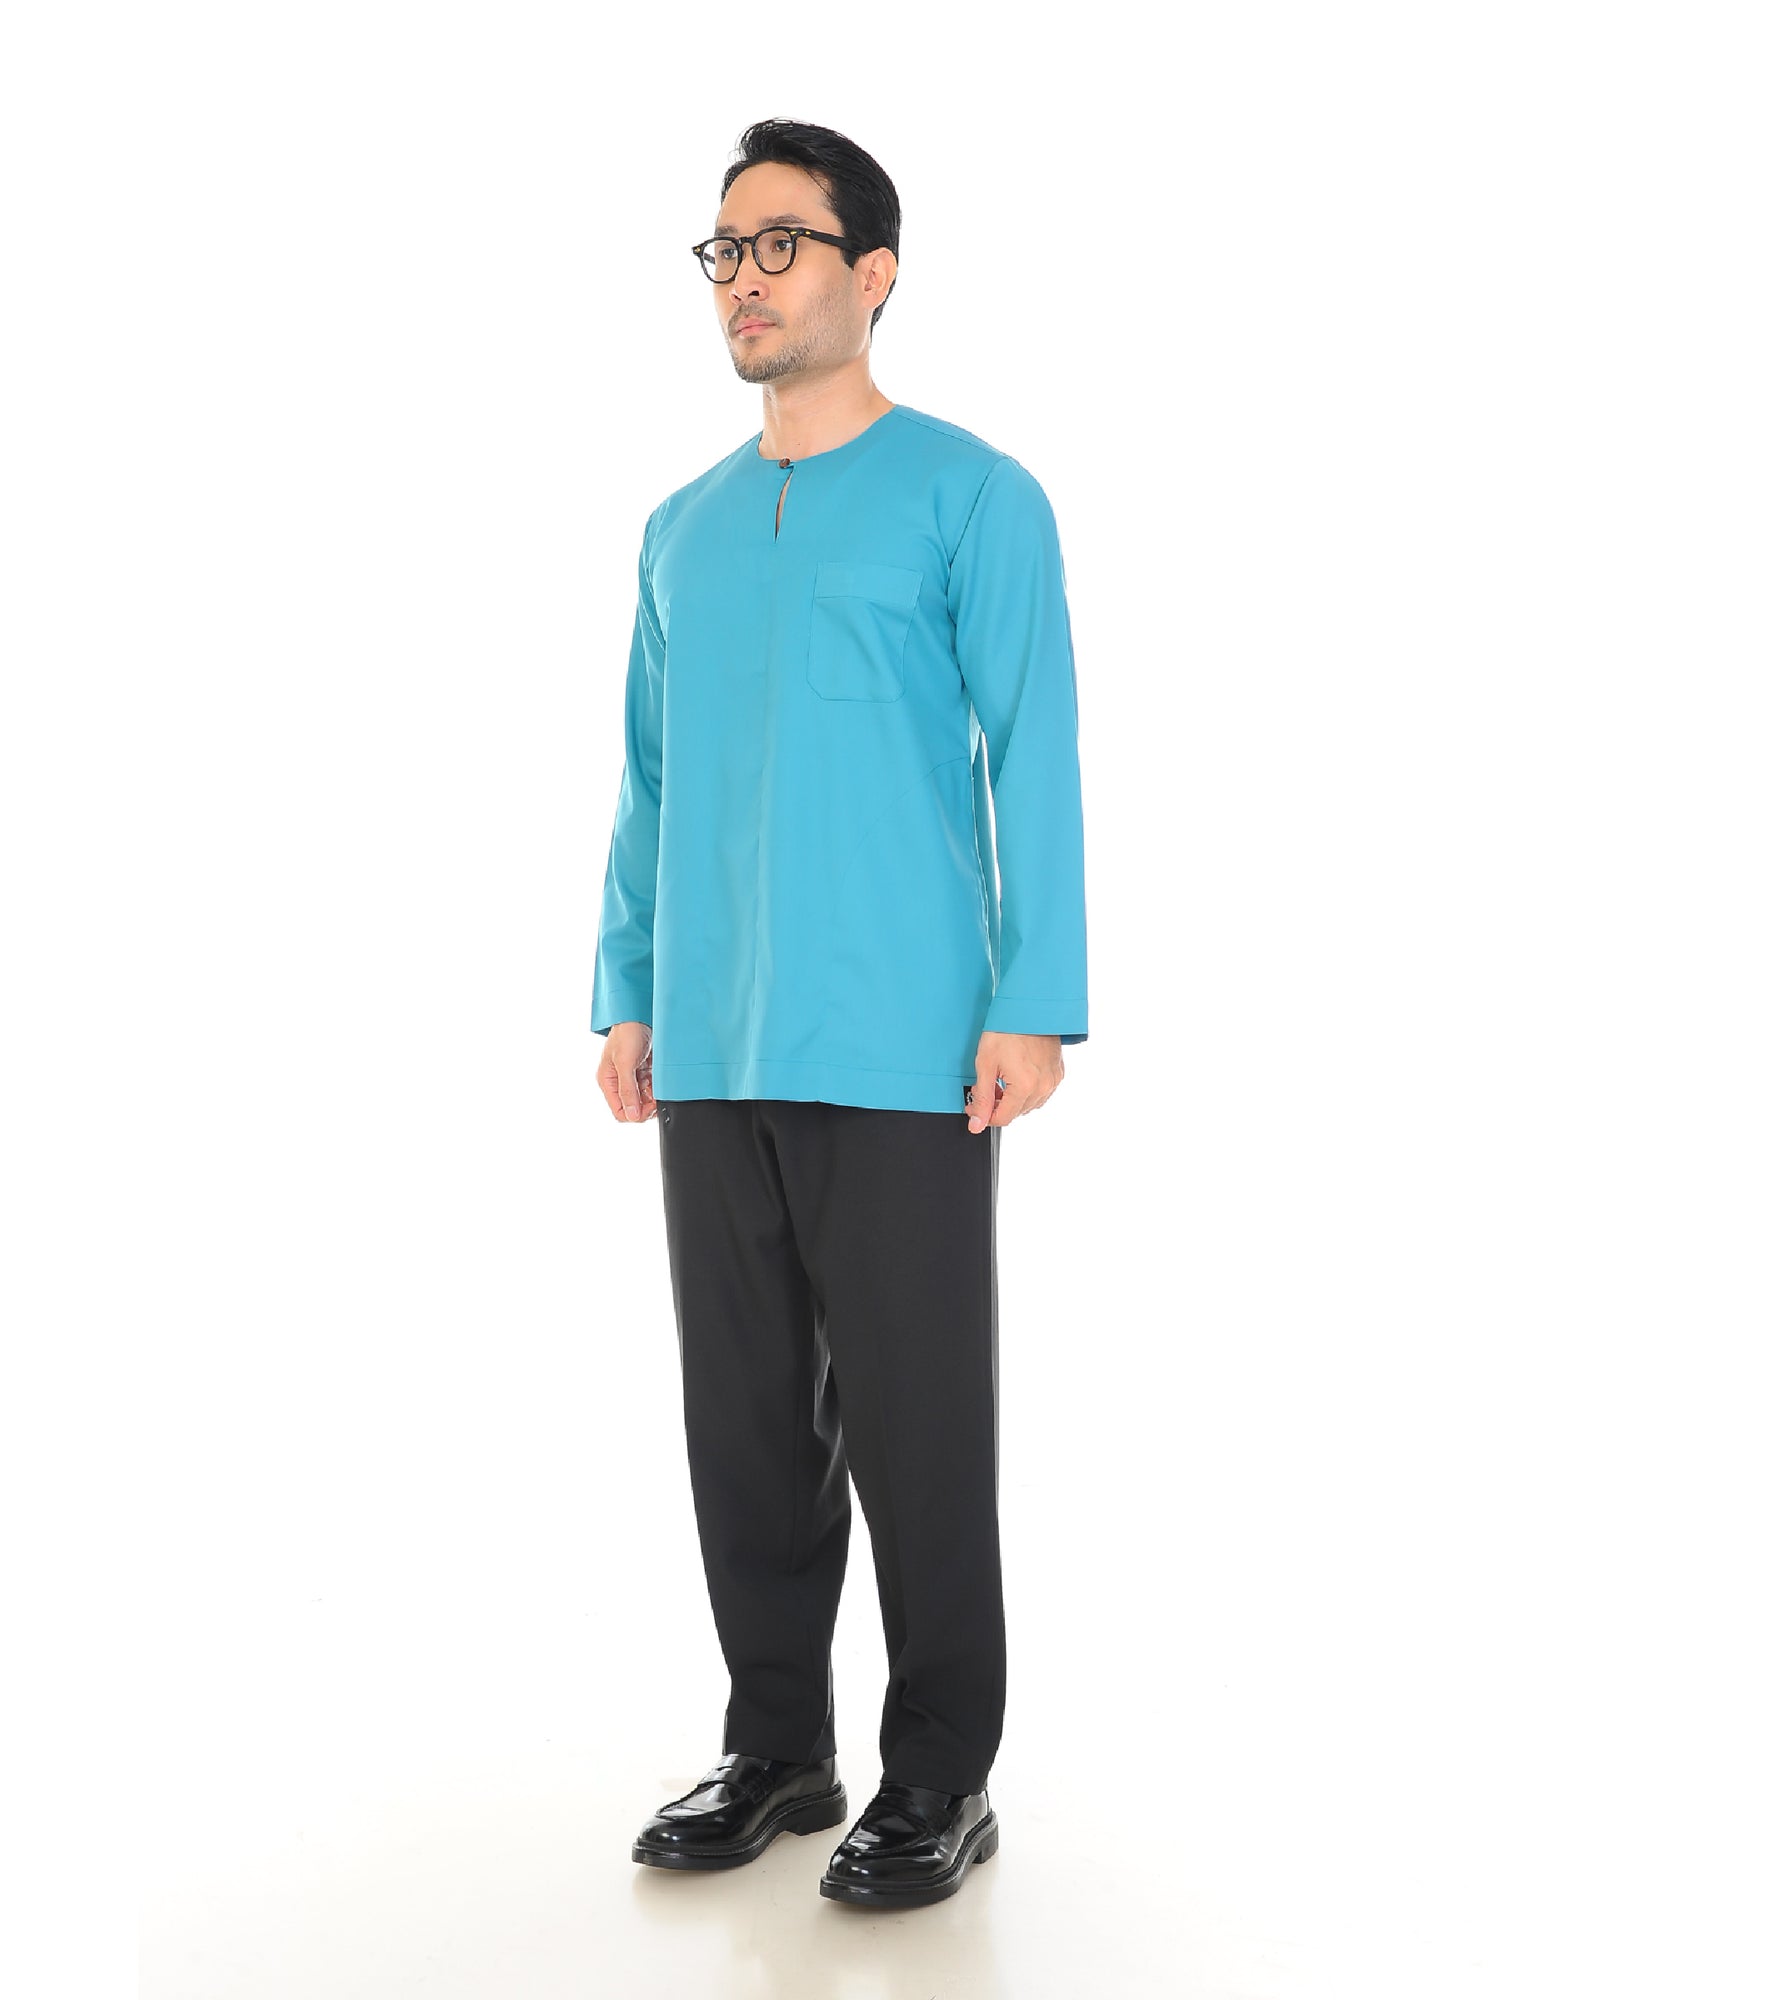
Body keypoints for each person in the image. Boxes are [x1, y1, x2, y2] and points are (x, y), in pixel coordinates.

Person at [591, 118, 1088, 1911]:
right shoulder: (682, 530)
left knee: (917, 1427)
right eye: (723, 249)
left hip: (906, 1051)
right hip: (714, 1042)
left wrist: (1035, 1000)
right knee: (742, 1422)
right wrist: (628, 988)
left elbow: (1035, 752)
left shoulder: (974, 497)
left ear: (872, 275)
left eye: (780, 244)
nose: (744, 277)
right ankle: (780, 1747)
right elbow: (650, 782)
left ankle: (939, 1774)